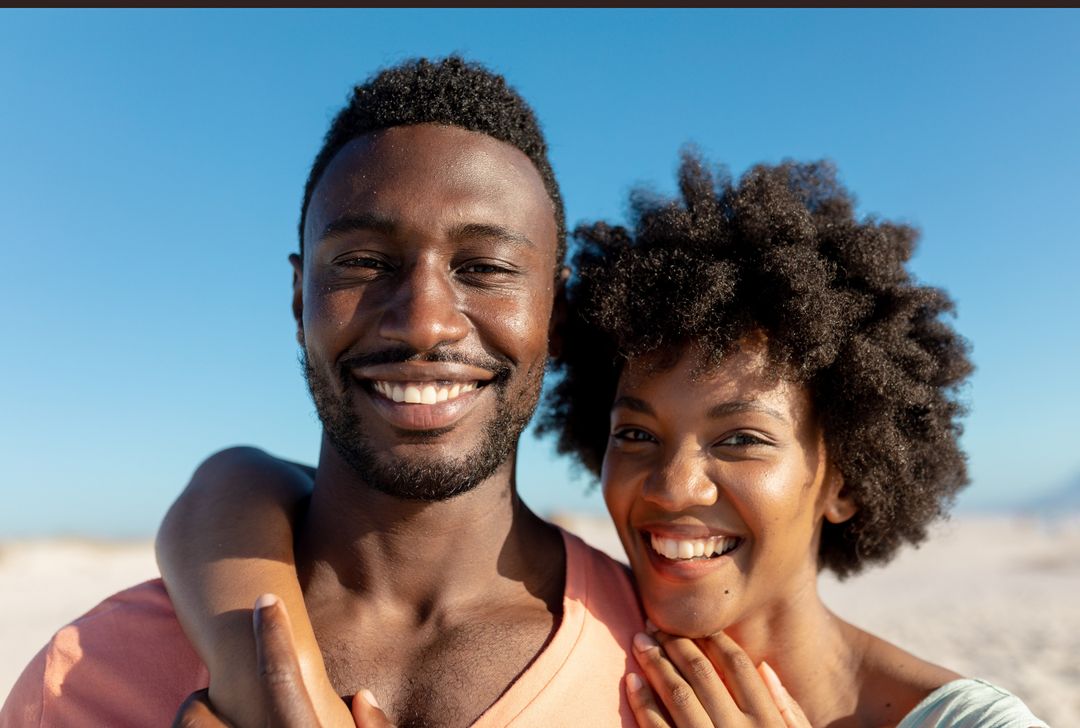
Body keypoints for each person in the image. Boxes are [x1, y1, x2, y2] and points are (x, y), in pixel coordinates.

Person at [152, 154, 1047, 726]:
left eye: (739, 439)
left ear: (844, 476)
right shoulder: (609, 661)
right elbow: (238, 482)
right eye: (636, 432)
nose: (673, 486)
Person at [0, 57, 644, 728]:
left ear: (557, 314)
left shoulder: (669, 678)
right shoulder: (85, 677)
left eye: (484, 268)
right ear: (298, 294)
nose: (424, 323)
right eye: (363, 263)